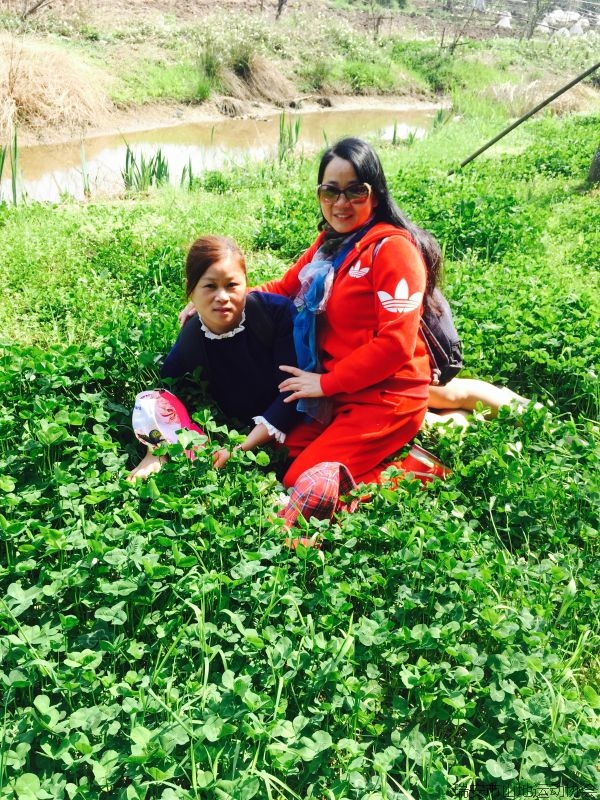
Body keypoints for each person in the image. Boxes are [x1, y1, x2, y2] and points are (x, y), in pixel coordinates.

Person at [251, 136, 445, 489]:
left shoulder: (393, 251)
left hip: (387, 397)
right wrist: (225, 297)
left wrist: (325, 384)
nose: (341, 203)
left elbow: (396, 345)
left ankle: (417, 471)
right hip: (339, 394)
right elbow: (283, 288)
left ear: (376, 194)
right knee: (284, 449)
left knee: (302, 481)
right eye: (330, 191)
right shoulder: (328, 245)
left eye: (355, 191)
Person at [127, 235, 303, 481]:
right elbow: (165, 396)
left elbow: (293, 392)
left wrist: (240, 448)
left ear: (246, 284)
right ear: (191, 290)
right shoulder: (192, 339)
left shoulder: (276, 313)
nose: (222, 297)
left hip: (293, 423)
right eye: (210, 286)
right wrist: (156, 451)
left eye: (232, 285)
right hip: (239, 429)